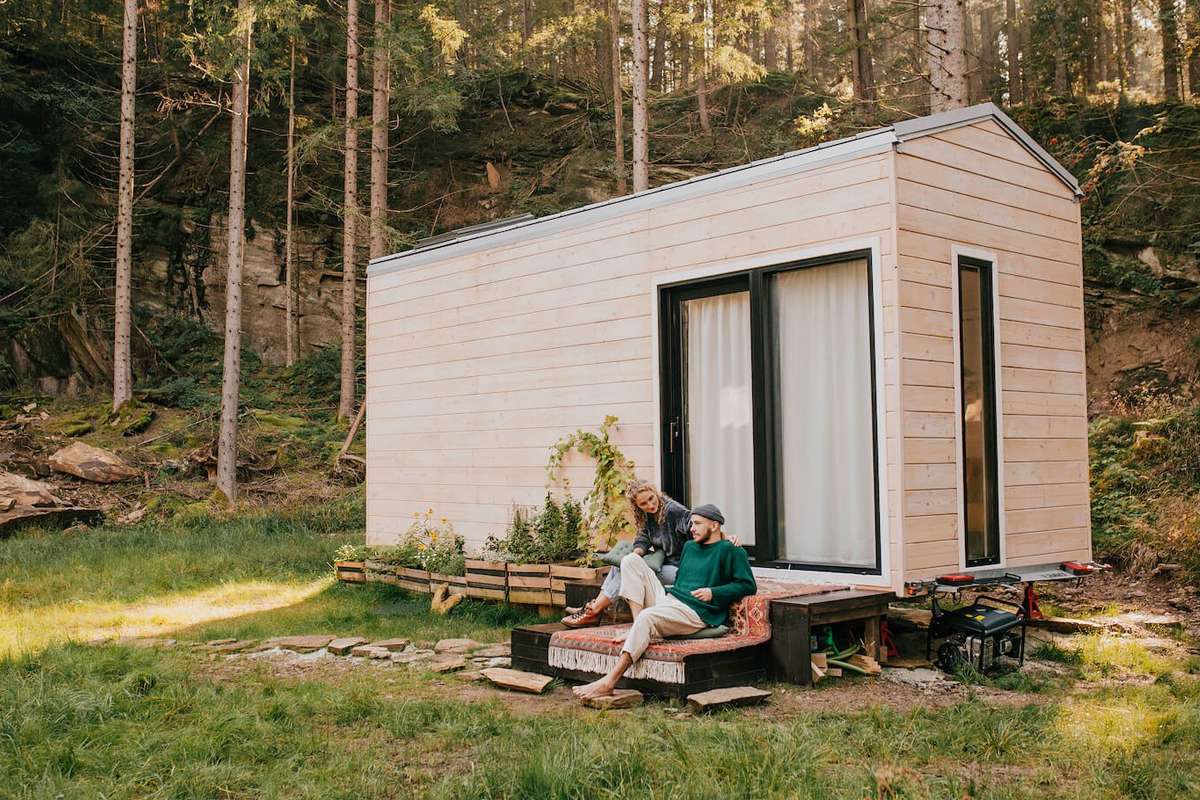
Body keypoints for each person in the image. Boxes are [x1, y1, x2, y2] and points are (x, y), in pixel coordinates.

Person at [572, 503, 757, 700]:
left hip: (695, 612)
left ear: (714, 525)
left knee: (648, 616)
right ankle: (638, 627)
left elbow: (747, 585)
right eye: (691, 523)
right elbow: (681, 580)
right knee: (630, 561)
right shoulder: (690, 547)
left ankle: (609, 682)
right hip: (672, 600)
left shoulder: (732, 551)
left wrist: (714, 592)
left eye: (697, 523)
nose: (691, 528)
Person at [561, 480, 691, 628]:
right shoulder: (647, 515)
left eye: (651, 498)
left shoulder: (674, 510)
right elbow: (642, 540)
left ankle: (594, 610)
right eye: (643, 504)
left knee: (627, 571)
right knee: (622, 564)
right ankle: (595, 607)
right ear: (637, 506)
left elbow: (696, 527)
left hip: (680, 570)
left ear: (655, 493)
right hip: (664, 564)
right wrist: (635, 555)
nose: (650, 505)